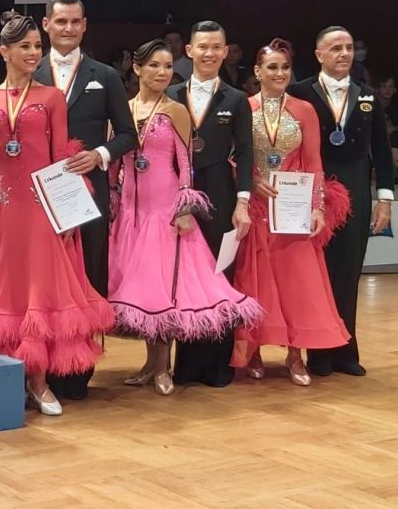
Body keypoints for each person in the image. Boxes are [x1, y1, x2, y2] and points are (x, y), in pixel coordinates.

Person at [0, 12, 113, 416]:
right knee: (7, 293)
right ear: (4, 51)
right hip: (2, 211)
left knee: (37, 294)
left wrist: (66, 213)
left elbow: (60, 157)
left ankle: (40, 383)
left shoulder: (52, 98)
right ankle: (9, 381)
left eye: (36, 46)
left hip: (41, 211)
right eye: (24, 46)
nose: (32, 53)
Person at [108, 39, 261, 396]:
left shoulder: (176, 110)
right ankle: (149, 363)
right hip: (131, 210)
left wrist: (185, 207)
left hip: (164, 210)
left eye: (167, 66)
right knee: (142, 290)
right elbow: (114, 161)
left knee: (165, 289)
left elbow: (186, 165)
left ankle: (163, 367)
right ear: (137, 68)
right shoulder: (123, 111)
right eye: (154, 66)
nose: (162, 73)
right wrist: (112, 198)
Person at [33, 0, 136, 400]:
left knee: (88, 277)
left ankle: (79, 370)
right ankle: (40, 368)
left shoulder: (105, 75)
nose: (69, 28)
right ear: (46, 25)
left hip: (88, 193)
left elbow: (128, 134)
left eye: (76, 21)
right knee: (44, 280)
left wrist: (100, 155)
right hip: (39, 194)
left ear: (85, 25)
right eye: (61, 21)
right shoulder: (29, 70)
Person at [231, 39, 350, 386]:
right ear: (257, 71)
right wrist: (251, 181)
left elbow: (313, 162)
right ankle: (253, 351)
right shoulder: (243, 107)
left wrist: (317, 206)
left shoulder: (304, 109)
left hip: (292, 207)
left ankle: (295, 354)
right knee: (256, 282)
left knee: (295, 283)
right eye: (272, 67)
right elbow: (233, 156)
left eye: (285, 67)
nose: (280, 73)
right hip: (257, 207)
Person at [289, 27, 394, 376]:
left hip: (356, 190)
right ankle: (318, 353)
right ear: (319, 54)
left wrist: (384, 199)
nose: (344, 53)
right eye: (335, 48)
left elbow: (382, 151)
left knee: (349, 272)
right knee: (316, 273)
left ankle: (346, 352)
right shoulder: (300, 92)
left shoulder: (367, 95)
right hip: (313, 190)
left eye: (348, 47)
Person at [167, 20, 254, 387]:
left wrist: (242, 202)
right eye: (202, 46)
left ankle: (218, 365)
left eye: (216, 47)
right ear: (189, 50)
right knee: (185, 276)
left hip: (219, 189)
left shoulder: (236, 99)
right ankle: (187, 365)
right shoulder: (170, 94)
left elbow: (246, 152)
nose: (209, 53)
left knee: (219, 273)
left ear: (225, 51)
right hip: (177, 190)